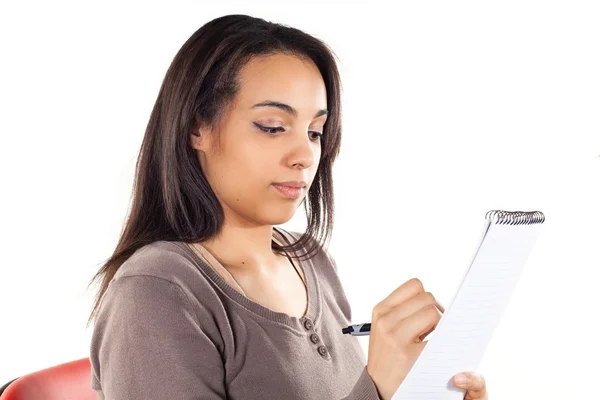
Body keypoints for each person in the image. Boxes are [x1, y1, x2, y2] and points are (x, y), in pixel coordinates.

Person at [86, 14, 488, 400]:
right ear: (197, 127)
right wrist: (376, 388)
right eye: (273, 127)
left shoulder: (311, 259)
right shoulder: (156, 291)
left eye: (315, 132)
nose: (304, 155)